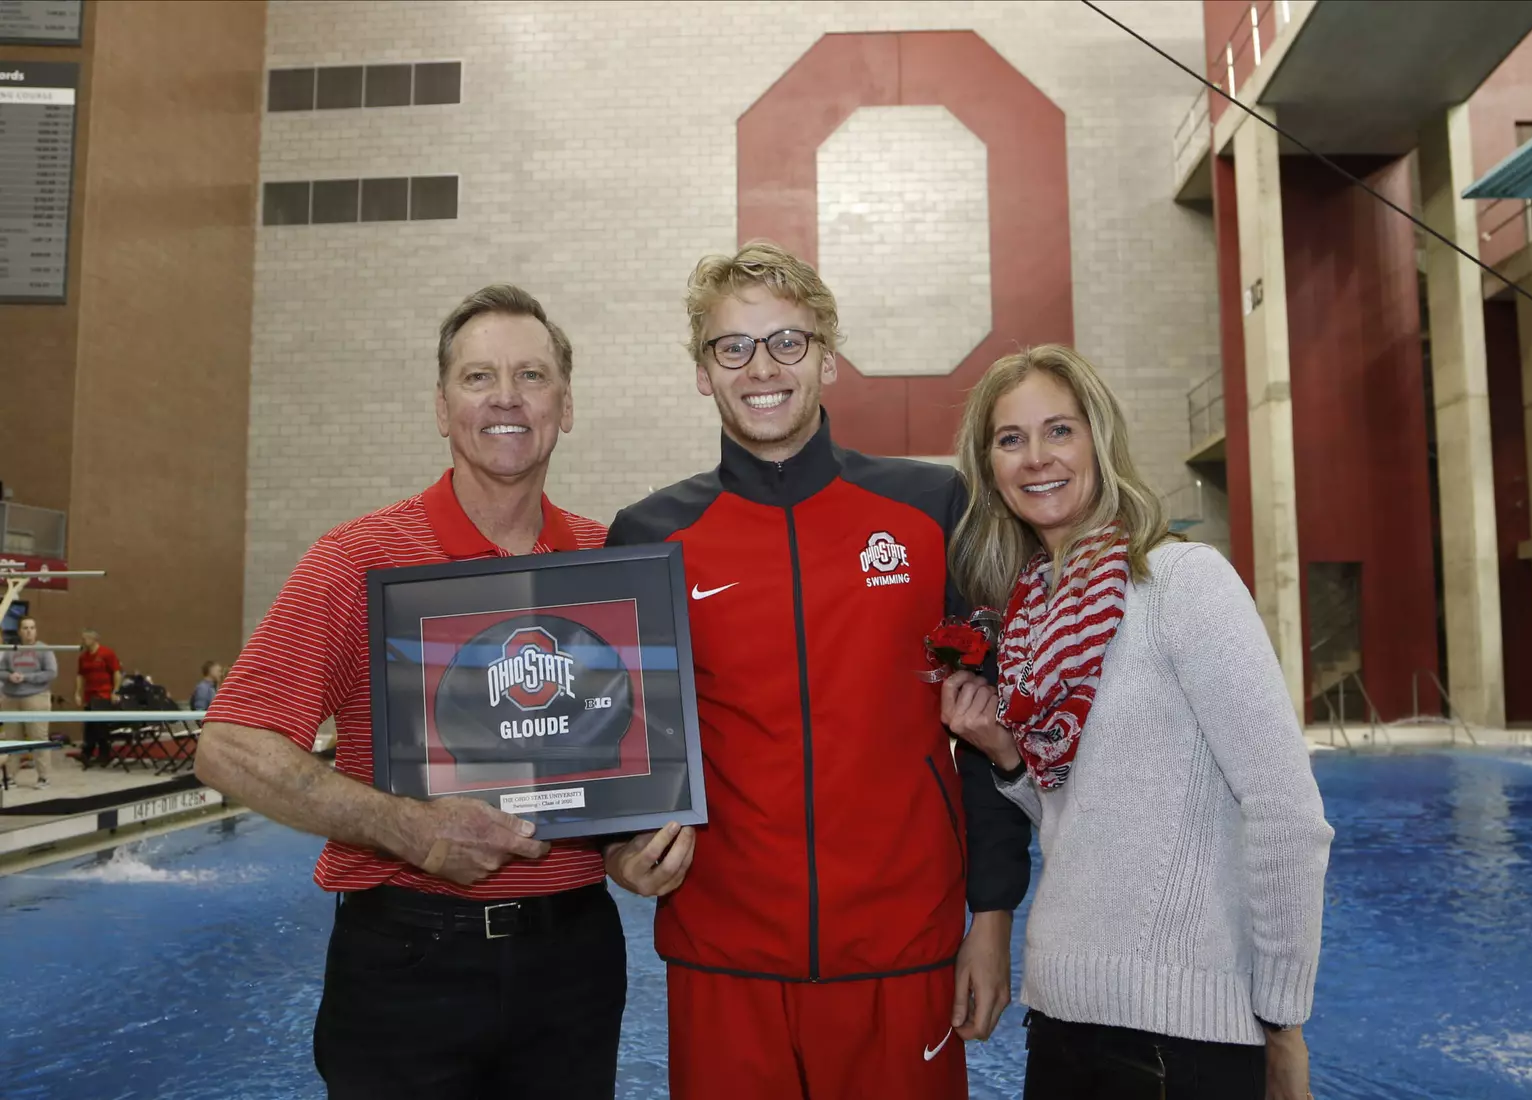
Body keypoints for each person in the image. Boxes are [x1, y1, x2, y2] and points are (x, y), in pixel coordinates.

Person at [195, 284, 659, 1099]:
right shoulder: (356, 560)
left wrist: (634, 845)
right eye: (478, 378)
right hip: (408, 959)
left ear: (567, 406)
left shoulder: (607, 562)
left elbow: (620, 754)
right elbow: (228, 747)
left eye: (532, 376)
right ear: (442, 409)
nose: (507, 398)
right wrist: (407, 827)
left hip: (575, 958)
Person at [604, 241, 1031, 1100]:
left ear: (828, 358)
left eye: (788, 342)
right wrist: (619, 850)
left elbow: (986, 724)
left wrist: (991, 919)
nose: (762, 367)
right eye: (734, 346)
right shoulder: (650, 538)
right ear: (703, 372)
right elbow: (620, 747)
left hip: (901, 955)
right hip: (724, 960)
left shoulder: (928, 510)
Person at [937, 344, 1333, 1100]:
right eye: (1010, 439)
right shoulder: (1031, 616)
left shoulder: (1182, 582)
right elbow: (1080, 824)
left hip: (1179, 1043)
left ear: (1099, 440)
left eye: (1060, 430)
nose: (1036, 458)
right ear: (988, 466)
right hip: (1060, 1017)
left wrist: (1282, 1022)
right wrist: (1006, 755)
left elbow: (1286, 811)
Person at [0, 616, 59, 788]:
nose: (28, 631)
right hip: (11, 698)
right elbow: (0, 670)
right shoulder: (10, 649)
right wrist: (9, 676)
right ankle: (9, 777)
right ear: (19, 631)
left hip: (36, 697)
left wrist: (26, 677)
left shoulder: (44, 649)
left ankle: (43, 777)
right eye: (25, 628)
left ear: (36, 630)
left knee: (38, 737)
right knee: (12, 739)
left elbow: (51, 673)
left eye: (32, 628)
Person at [75, 629, 121, 768]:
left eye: (86, 638)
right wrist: (77, 693)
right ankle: (87, 753)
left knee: (100, 726)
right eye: (82, 638)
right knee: (89, 725)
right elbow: (80, 675)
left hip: (103, 694)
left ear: (94, 639)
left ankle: (102, 754)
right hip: (90, 695)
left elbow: (116, 672)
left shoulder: (107, 653)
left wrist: (115, 691)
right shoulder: (83, 657)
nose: (83, 641)